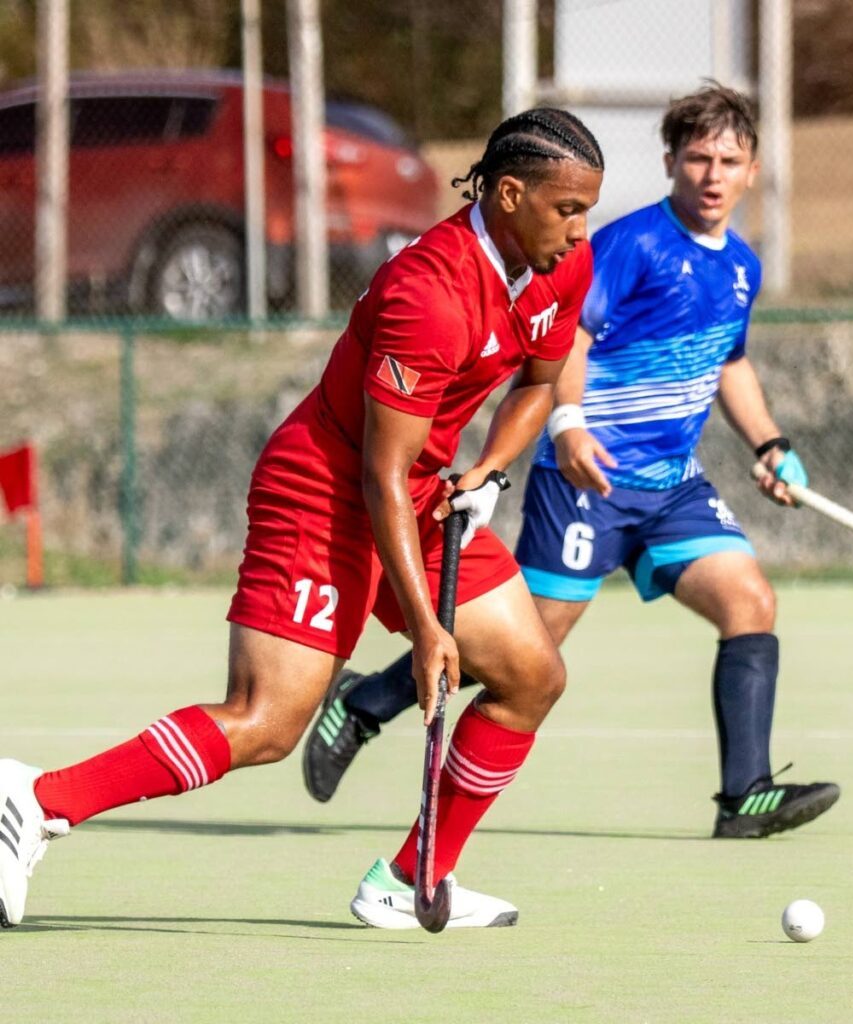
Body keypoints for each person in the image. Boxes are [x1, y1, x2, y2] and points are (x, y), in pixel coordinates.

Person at [0, 108, 604, 931]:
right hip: (322, 495)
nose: (579, 232)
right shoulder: (426, 295)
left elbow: (539, 381)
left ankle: (410, 876)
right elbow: (378, 473)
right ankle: (34, 802)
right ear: (508, 193)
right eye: (567, 210)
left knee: (533, 676)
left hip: (422, 497)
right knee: (266, 721)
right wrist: (427, 630)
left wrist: (491, 468)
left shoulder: (557, 264)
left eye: (586, 212)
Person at [303, 84, 840, 840]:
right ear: (670, 163)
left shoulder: (741, 267)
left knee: (749, 601)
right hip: (585, 481)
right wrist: (568, 425)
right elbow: (568, 343)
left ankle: (744, 797)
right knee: (526, 654)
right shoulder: (629, 245)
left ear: (753, 171)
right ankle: (366, 703)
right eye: (697, 158)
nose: (712, 175)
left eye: (729, 160)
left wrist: (770, 443)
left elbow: (731, 365)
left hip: (669, 486)